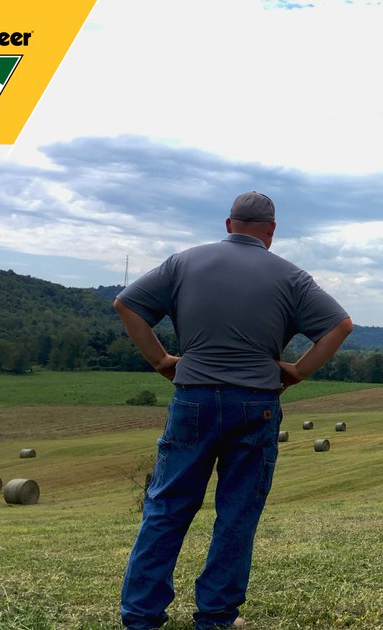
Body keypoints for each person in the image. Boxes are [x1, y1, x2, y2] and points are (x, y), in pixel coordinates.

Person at [115, 191, 353, 629]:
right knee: (237, 513)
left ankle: (141, 616)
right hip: (256, 403)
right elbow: (341, 325)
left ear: (229, 225)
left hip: (193, 398)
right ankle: (216, 616)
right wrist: (297, 372)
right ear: (271, 231)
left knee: (166, 508)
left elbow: (126, 304)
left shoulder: (182, 263)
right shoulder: (292, 276)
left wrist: (160, 360)